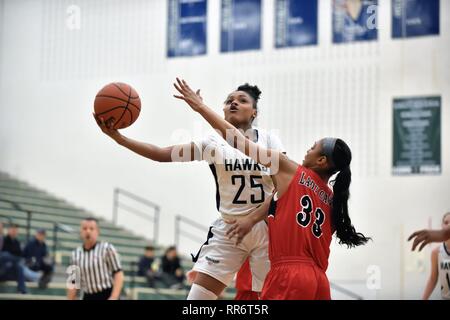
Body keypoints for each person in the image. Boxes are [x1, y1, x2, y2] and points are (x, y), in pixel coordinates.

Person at [173, 77, 370, 299]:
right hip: (319, 280)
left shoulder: (291, 171)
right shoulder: (333, 199)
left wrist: (200, 107)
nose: (308, 148)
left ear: (322, 160)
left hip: (289, 273)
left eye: (313, 147)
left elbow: (238, 142)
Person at [94, 82, 285, 300]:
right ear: (222, 110)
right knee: (197, 301)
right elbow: (161, 154)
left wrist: (251, 219)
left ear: (254, 112)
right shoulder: (212, 143)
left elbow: (281, 189)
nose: (234, 102)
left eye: (242, 100)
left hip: (265, 228)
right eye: (229, 99)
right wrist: (119, 139)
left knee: (267, 299)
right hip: (230, 229)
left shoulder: (270, 140)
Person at [67, 218, 124, 300]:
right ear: (81, 232)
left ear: (98, 231)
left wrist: (113, 297)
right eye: (84, 228)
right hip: (88, 295)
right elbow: (73, 283)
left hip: (107, 293)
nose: (88, 231)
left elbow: (118, 274)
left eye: (91, 228)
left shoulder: (107, 248)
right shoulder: (75, 254)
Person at [421, 212, 450, 300]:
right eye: (446, 222)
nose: (449, 225)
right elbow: (433, 279)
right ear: (442, 226)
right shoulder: (436, 252)